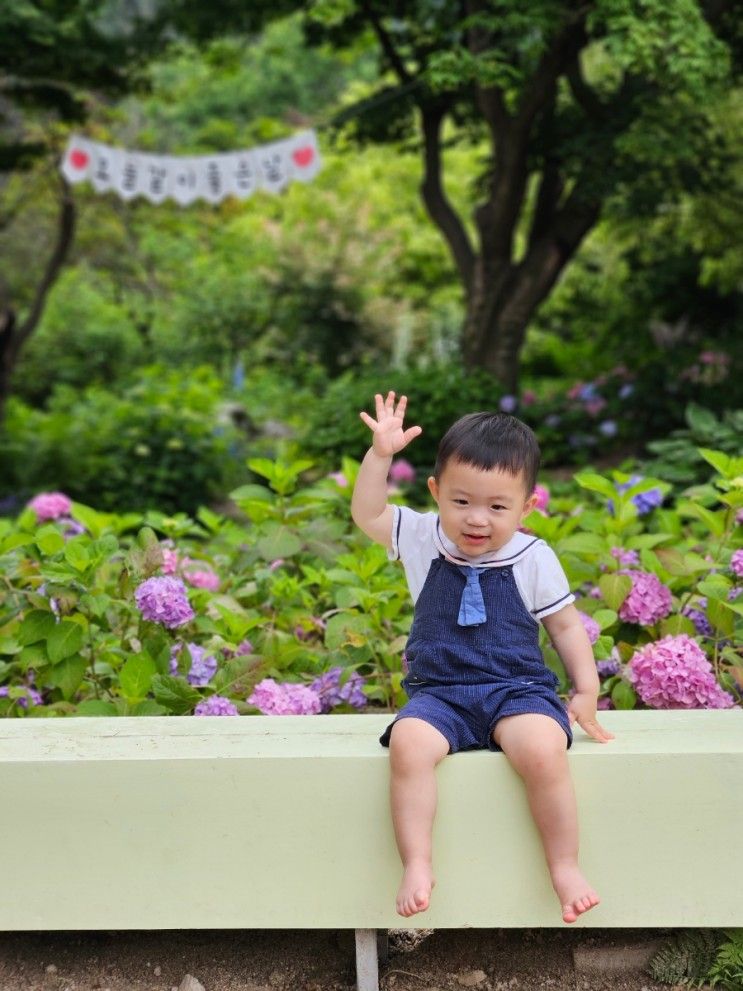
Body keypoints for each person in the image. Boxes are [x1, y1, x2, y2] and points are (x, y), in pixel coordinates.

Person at [351, 391, 614, 924]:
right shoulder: (423, 537)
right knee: (408, 744)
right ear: (436, 492)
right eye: (461, 501)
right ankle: (418, 862)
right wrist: (380, 455)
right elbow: (367, 512)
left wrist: (585, 688)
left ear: (527, 507)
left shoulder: (534, 557)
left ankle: (564, 865)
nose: (477, 519)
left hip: (517, 691)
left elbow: (565, 625)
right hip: (440, 694)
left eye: (498, 507)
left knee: (543, 749)